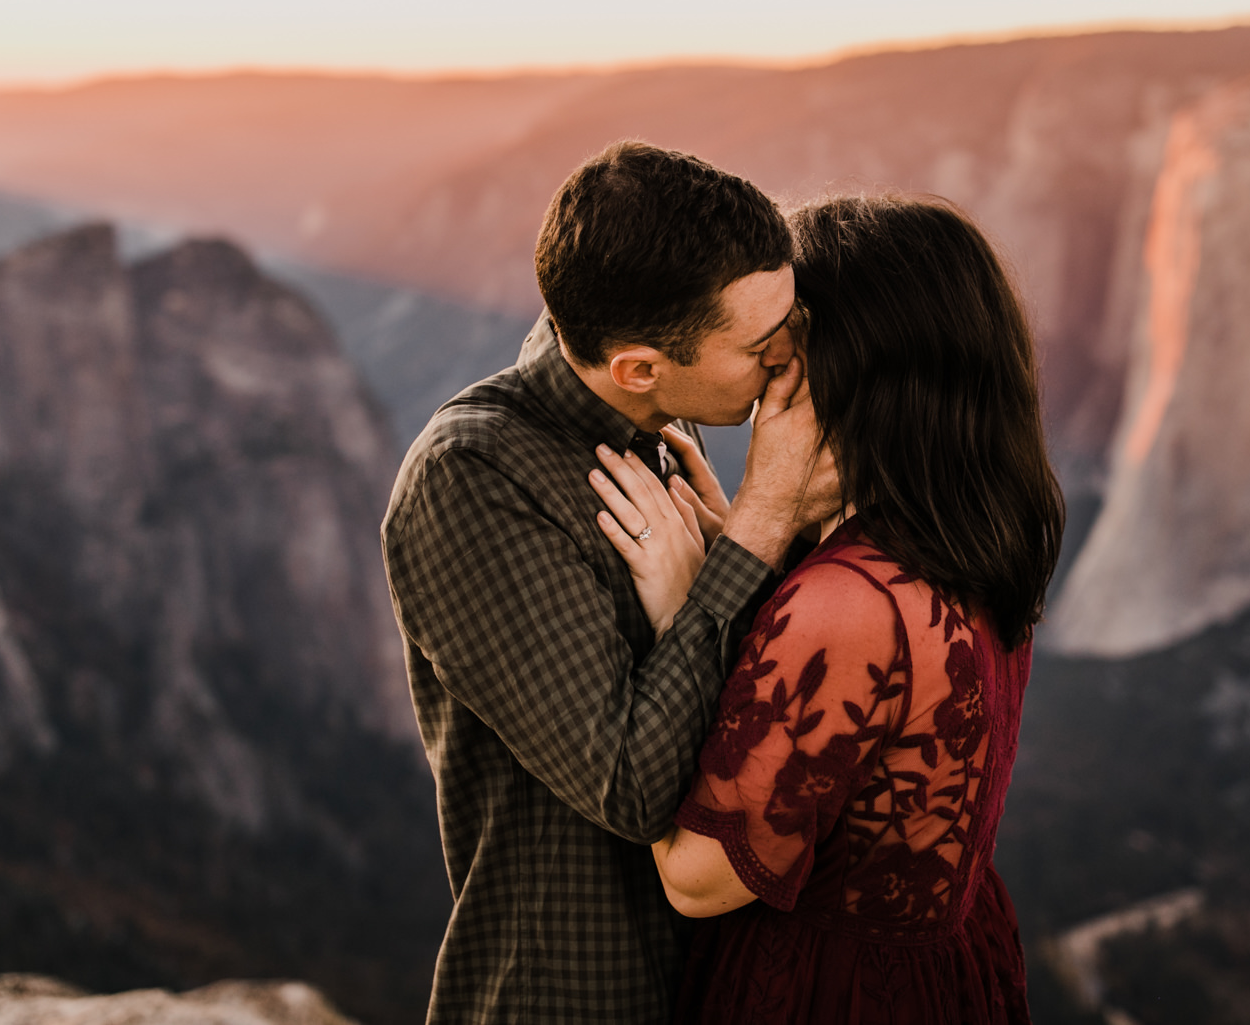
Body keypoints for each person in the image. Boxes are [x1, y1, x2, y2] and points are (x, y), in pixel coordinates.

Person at [383, 142, 840, 1024]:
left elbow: (728, 712)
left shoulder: (658, 426)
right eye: (760, 344)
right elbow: (631, 787)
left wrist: (739, 569)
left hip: (712, 980)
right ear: (638, 365)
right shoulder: (473, 477)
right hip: (576, 995)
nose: (790, 358)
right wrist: (761, 518)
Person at [589, 194, 1064, 1024]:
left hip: (824, 992)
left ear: (846, 371)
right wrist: (754, 556)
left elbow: (698, 879)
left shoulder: (847, 604)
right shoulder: (976, 538)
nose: (765, 383)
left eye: (783, 357)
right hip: (950, 967)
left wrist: (685, 616)